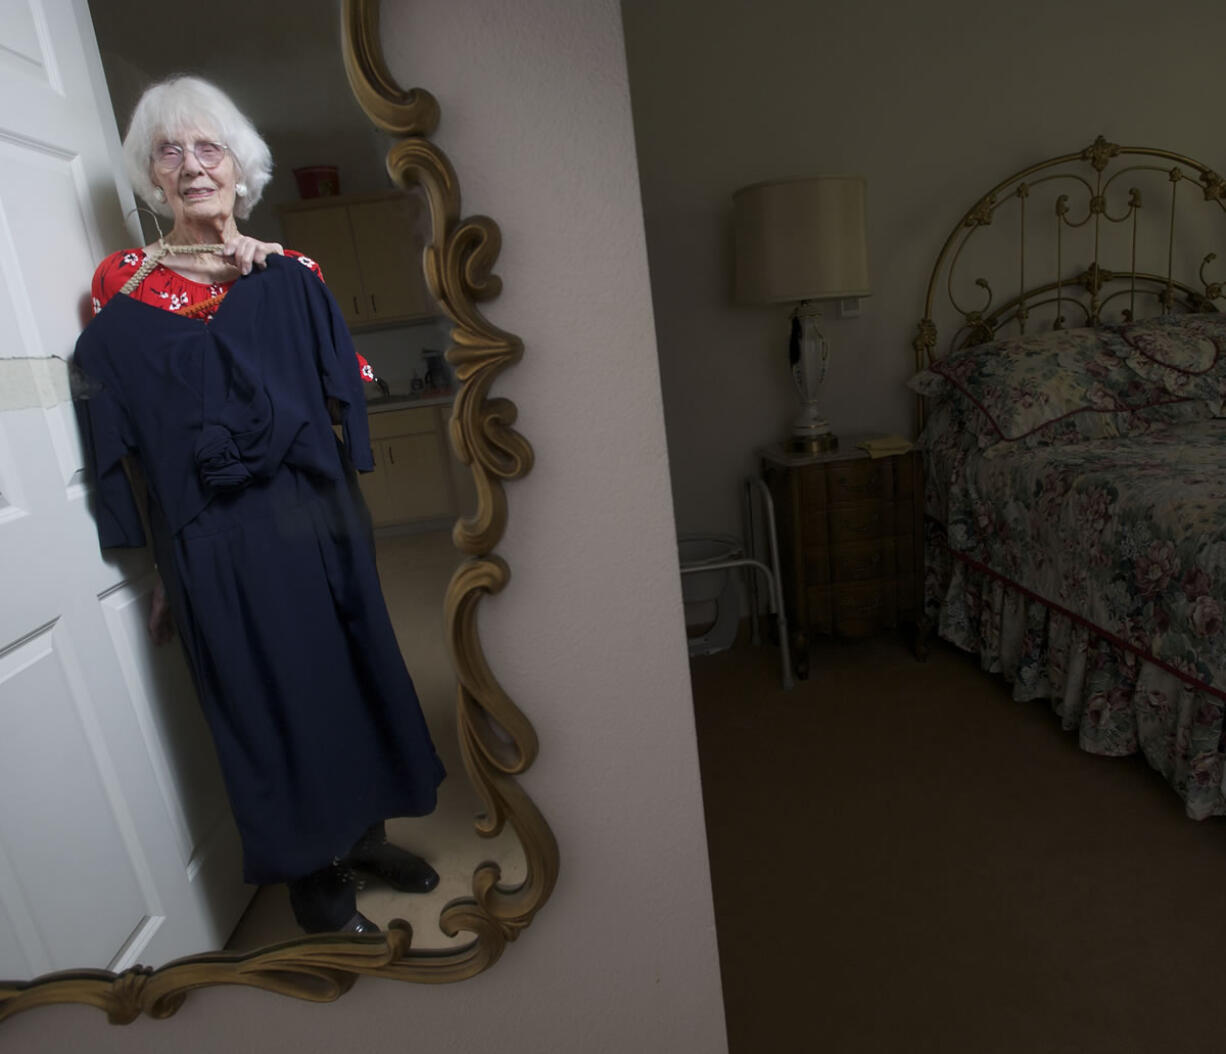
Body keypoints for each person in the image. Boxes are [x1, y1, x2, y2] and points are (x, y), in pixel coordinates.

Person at [75, 75, 446, 935]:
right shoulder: (121, 283)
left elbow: (339, 390)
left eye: (210, 149)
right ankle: (311, 875)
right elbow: (125, 430)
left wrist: (266, 284)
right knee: (267, 696)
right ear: (151, 176)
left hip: (310, 515)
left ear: (242, 168)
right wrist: (159, 560)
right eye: (170, 152)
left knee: (349, 672)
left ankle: (364, 838)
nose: (192, 166)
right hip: (213, 533)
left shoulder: (294, 271)